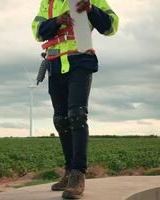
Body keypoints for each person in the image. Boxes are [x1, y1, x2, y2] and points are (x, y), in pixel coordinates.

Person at [31, 0, 119, 198]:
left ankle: (79, 174)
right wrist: (56, 21)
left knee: (77, 115)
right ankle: (70, 171)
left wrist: (91, 9)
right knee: (60, 120)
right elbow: (37, 31)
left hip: (80, 60)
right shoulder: (48, 2)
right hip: (54, 63)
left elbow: (111, 25)